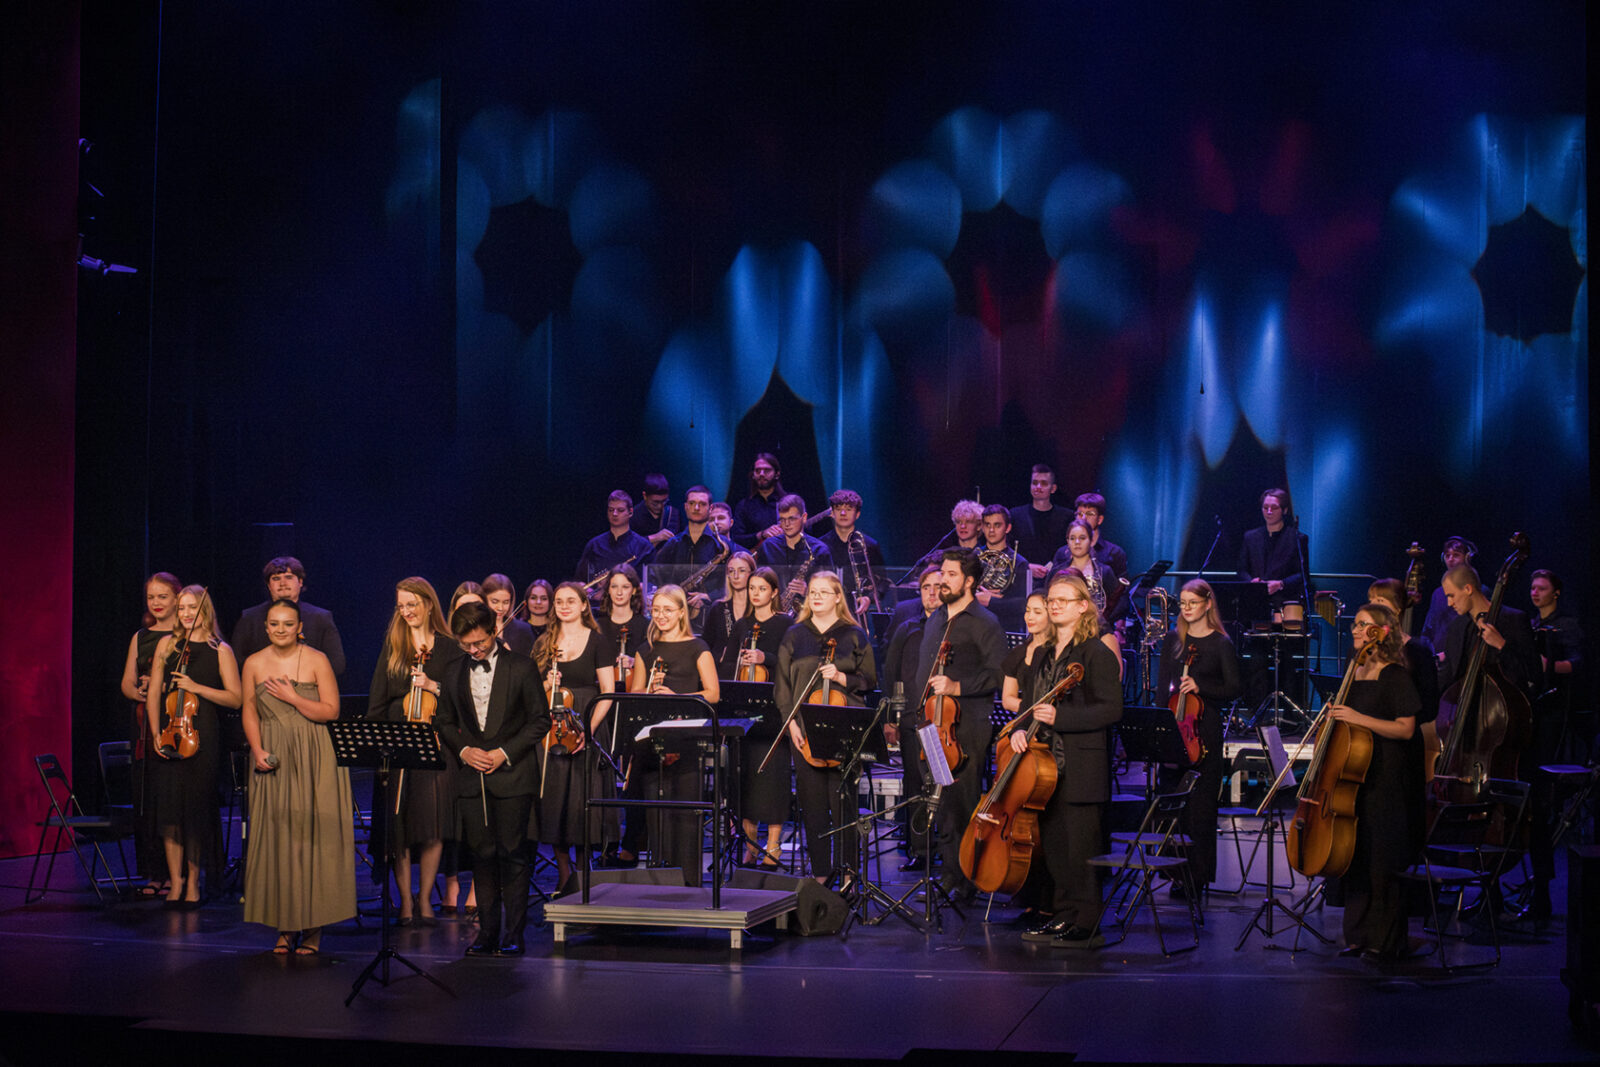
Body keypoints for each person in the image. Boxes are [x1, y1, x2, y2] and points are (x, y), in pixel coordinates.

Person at [433, 601, 551, 957]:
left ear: (494, 631)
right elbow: (443, 721)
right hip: (472, 777)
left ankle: (514, 934)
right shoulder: (453, 670)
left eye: (479, 643)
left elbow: (540, 720)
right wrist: (464, 751)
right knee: (482, 855)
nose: (473, 650)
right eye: (466, 644)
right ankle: (486, 933)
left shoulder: (521, 666)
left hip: (513, 775)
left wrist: (504, 753)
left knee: (513, 854)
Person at [240, 599, 353, 956]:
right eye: (274, 624)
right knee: (280, 840)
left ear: (299, 627)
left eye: (288, 624)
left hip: (315, 753)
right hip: (273, 752)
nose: (280, 630)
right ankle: (286, 926)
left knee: (313, 838)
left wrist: (292, 697)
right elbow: (249, 710)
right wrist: (257, 749)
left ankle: (314, 927)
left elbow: (331, 711)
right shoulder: (253, 662)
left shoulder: (317, 660)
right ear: (266, 627)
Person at [1018, 571, 1124, 948]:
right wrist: (1020, 730)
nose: (1054, 606)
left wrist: (1061, 718)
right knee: (1056, 848)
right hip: (1044, 768)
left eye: (1062, 600)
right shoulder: (1044, 654)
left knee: (1081, 849)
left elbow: (1111, 709)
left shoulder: (1096, 653)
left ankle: (1087, 921)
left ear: (1082, 607)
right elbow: (1032, 704)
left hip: (1080, 767)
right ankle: (1062, 914)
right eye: (1051, 600)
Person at [908, 549, 1006, 903]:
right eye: (942, 574)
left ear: (969, 581)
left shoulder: (984, 622)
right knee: (940, 802)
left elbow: (998, 674)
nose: (942, 582)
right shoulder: (936, 618)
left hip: (965, 728)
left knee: (962, 804)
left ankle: (965, 879)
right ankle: (948, 874)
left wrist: (957, 687)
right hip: (932, 725)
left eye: (951, 575)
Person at [1325, 602, 1420, 961]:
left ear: (1381, 631)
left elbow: (1405, 728)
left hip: (1385, 777)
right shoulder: (1355, 668)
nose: (1354, 629)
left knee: (1382, 860)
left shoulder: (1395, 675)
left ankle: (1386, 940)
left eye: (1362, 624)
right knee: (1357, 857)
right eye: (1355, 623)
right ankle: (1358, 936)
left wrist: (1357, 718)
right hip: (1354, 775)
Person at [365, 577, 462, 926]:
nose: (406, 611)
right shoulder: (394, 646)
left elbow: (463, 699)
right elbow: (377, 702)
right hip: (398, 744)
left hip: (436, 746)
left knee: (433, 825)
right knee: (400, 828)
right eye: (401, 606)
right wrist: (379, 745)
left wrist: (434, 686)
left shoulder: (450, 648)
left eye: (412, 604)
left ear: (429, 604)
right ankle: (405, 900)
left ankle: (424, 898)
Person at [775, 572, 878, 885]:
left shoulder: (854, 634)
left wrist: (844, 678)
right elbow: (782, 686)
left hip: (843, 726)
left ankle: (848, 873)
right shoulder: (794, 634)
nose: (817, 597)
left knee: (843, 803)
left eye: (824, 592)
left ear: (837, 597)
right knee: (813, 805)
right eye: (813, 592)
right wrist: (790, 723)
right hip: (803, 729)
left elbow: (870, 680)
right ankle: (821, 874)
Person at [145, 586, 241, 907]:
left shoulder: (220, 649)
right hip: (169, 734)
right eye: (182, 608)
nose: (186, 613)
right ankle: (176, 882)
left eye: (192, 608)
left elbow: (235, 698)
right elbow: (155, 692)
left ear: (205, 611)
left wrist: (196, 687)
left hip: (203, 738)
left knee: (195, 813)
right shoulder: (167, 644)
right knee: (170, 814)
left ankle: (194, 883)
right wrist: (155, 732)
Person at [625, 585, 721, 885]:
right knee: (657, 814)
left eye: (668, 610)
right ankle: (662, 883)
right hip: (652, 738)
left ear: (682, 612)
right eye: (656, 610)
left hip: (687, 738)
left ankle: (690, 883)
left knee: (687, 812)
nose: (661, 615)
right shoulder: (645, 649)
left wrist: (676, 696)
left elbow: (713, 694)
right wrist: (650, 689)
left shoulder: (698, 647)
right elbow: (635, 693)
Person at [1153, 579, 1241, 894]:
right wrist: (1161, 728)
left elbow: (1234, 688)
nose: (1187, 608)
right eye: (1183, 603)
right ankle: (1174, 872)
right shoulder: (1173, 640)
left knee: (1200, 808)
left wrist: (1201, 688)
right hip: (1175, 730)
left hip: (1204, 731)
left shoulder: (1221, 644)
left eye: (1193, 602)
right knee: (1171, 804)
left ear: (1207, 604)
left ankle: (1198, 876)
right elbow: (1163, 688)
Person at [532, 582, 620, 888]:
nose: (564, 606)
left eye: (571, 601)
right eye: (559, 601)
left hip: (586, 720)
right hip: (552, 729)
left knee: (583, 797)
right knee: (555, 799)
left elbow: (608, 691)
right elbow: (529, 692)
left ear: (584, 605)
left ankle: (583, 875)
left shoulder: (598, 641)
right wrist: (546, 684)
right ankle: (564, 874)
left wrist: (588, 731)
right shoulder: (544, 642)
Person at [723, 566, 794, 866]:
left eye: (762, 588)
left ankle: (774, 845)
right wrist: (738, 665)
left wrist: (767, 658)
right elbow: (727, 663)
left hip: (774, 711)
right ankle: (751, 845)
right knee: (745, 778)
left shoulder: (786, 624)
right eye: (752, 588)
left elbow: (792, 665)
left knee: (774, 778)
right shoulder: (742, 625)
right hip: (744, 713)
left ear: (774, 592)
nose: (755, 593)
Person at [119, 571, 182, 896]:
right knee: (146, 797)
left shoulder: (186, 634)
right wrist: (142, 693)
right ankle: (153, 873)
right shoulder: (140, 636)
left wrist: (161, 689)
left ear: (176, 598)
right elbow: (126, 683)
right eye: (151, 597)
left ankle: (176, 874)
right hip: (144, 722)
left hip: (177, 720)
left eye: (162, 596)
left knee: (171, 798)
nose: (156, 603)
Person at [1368, 578, 1439, 858]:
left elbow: (1430, 706)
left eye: (1380, 601)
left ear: (1397, 609)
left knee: (1401, 819)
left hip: (1403, 747)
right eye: (1371, 601)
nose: (1372, 606)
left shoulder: (1417, 651)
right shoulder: (1366, 651)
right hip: (1371, 744)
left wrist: (1397, 718)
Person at [881, 564, 945, 872]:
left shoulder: (953, 627)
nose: (932, 593)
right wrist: (890, 718)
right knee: (915, 784)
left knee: (943, 784)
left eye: (938, 587)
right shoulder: (907, 627)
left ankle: (948, 848)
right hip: (911, 719)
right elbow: (891, 672)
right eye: (925, 587)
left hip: (944, 719)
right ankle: (920, 850)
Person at [231, 556, 346, 678]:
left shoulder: (320, 618)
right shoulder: (250, 618)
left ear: (300, 582)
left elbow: (337, 664)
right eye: (276, 578)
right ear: (269, 585)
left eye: (289, 577)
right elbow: (236, 661)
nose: (283, 583)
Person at [652, 485, 729, 622]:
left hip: (713, 616)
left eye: (702, 504)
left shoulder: (722, 546)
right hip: (676, 617)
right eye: (692, 503)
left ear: (710, 508)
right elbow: (655, 577)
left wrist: (710, 596)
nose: (696, 508)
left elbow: (737, 582)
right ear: (686, 506)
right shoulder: (673, 544)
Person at [1236, 489, 1310, 624]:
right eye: (1265, 508)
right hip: (1255, 603)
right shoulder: (1250, 537)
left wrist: (1281, 584)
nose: (1269, 512)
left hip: (1285, 604)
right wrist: (1251, 582)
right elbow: (1241, 570)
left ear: (1284, 510)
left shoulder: (1297, 538)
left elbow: (1302, 574)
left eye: (1274, 508)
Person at [756, 494, 831, 614]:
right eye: (782, 519)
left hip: (810, 616)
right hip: (773, 614)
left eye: (792, 519)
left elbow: (831, 592)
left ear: (804, 518)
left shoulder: (820, 550)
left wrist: (808, 592)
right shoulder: (767, 547)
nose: (786, 524)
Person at [817, 489, 887, 619]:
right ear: (832, 513)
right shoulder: (820, 545)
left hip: (858, 613)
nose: (843, 513)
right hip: (826, 610)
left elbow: (882, 581)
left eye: (849, 509)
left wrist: (869, 598)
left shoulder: (870, 545)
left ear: (857, 514)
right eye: (838, 509)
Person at [1050, 519, 1128, 630]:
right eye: (1072, 538)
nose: (1077, 542)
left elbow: (1120, 604)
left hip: (1096, 629)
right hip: (1062, 630)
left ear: (1091, 541)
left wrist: (1104, 620)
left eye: (1082, 538)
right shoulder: (1057, 572)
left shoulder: (1104, 571)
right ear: (1067, 541)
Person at [576, 491, 653, 594]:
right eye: (611, 510)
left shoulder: (644, 547)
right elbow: (580, 581)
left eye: (620, 510)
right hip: (598, 602)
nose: (614, 514)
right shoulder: (594, 545)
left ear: (630, 512)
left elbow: (651, 585)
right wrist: (590, 591)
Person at [1010, 465, 1072, 581]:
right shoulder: (1016, 515)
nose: (1038, 487)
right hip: (1022, 579)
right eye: (1034, 483)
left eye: (1043, 483)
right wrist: (1026, 566)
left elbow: (1069, 549)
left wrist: (1055, 567)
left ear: (1053, 488)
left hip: (1057, 578)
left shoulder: (1066, 517)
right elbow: (1008, 549)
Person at [974, 504, 1029, 632]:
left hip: (1004, 627)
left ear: (1007, 528)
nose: (991, 530)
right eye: (987, 525)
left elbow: (1022, 604)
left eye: (997, 525)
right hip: (975, 625)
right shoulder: (973, 556)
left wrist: (990, 601)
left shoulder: (1019, 562)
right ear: (982, 527)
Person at [1420, 537, 1476, 652]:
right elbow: (1428, 629)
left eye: (1456, 555)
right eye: (1447, 555)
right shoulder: (1438, 593)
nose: (1450, 559)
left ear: (1467, 558)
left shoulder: (1477, 591)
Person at [594, 564, 647, 683]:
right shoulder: (597, 626)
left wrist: (635, 662)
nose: (619, 592)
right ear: (608, 590)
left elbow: (652, 662)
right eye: (614, 587)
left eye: (625, 587)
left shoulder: (645, 626)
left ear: (633, 590)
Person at [701, 551, 755, 663]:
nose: (735, 576)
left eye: (741, 570)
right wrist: (720, 657)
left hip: (753, 669)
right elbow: (705, 646)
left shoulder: (760, 608)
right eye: (731, 571)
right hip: (722, 669)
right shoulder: (718, 608)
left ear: (752, 574)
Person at [731, 452, 785, 549]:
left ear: (777, 474)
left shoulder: (789, 502)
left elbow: (806, 532)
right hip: (755, 556)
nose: (761, 474)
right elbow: (736, 539)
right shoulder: (744, 506)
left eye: (767, 470)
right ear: (753, 475)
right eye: (758, 471)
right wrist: (761, 534)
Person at [1073, 492, 1129, 583]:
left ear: (1099, 519)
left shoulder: (1115, 553)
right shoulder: (1063, 552)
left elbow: (1122, 589)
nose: (1083, 519)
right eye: (1080, 514)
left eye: (1089, 514)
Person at [631, 472, 685, 554]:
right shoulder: (634, 515)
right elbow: (627, 546)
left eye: (664, 501)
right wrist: (655, 537)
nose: (660, 506)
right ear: (645, 496)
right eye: (655, 503)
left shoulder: (673, 513)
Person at [482, 573, 536, 655]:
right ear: (483, 599)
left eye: (506, 602)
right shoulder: (476, 627)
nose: (500, 608)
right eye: (495, 602)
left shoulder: (524, 630)